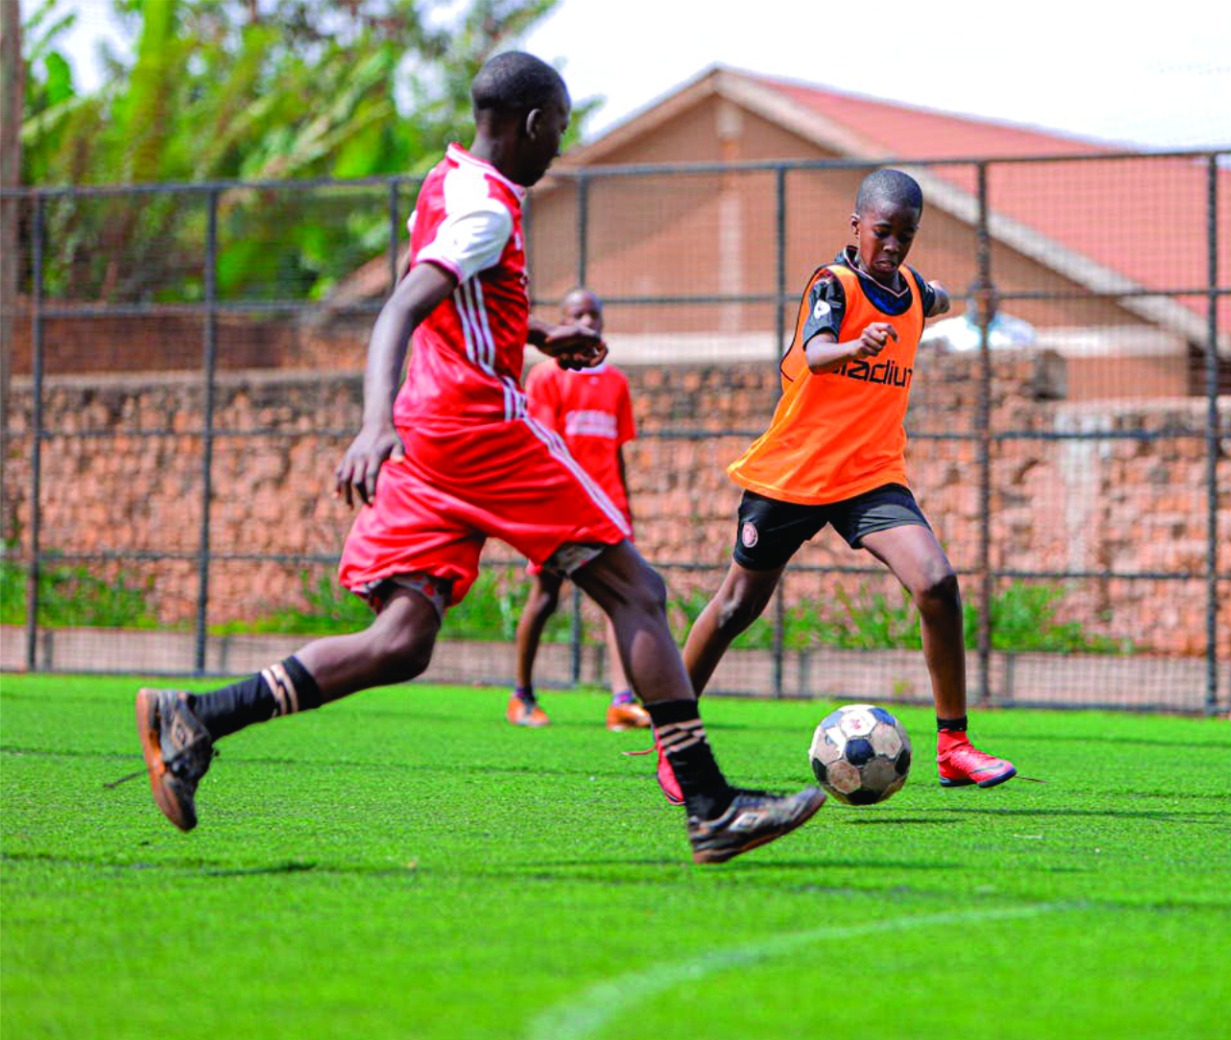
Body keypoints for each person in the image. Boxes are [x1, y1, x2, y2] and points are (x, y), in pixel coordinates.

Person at [133, 52, 823, 865]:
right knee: (637, 589)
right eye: (558, 130)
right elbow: (401, 309)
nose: (559, 147)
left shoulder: (447, 182)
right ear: (530, 124)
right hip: (479, 432)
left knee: (402, 640)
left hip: (429, 438)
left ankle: (198, 717)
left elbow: (455, 298)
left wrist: (538, 335)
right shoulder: (489, 209)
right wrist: (370, 424)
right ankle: (709, 804)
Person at [659, 168, 1018, 805]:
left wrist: (937, 297)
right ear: (856, 226)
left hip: (869, 475)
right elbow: (817, 351)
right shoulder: (832, 284)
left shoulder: (909, 288)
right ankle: (674, 742)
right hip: (794, 472)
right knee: (738, 606)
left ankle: (954, 747)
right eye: (882, 232)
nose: (893, 245)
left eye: (906, 235)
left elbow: (935, 298)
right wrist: (858, 343)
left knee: (937, 582)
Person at [509, 288, 650, 732]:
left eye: (593, 315)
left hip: (606, 508)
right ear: (562, 322)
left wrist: (624, 506)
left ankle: (621, 701)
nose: (587, 321)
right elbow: (544, 447)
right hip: (560, 506)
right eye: (577, 315)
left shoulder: (617, 382)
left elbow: (617, 451)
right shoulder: (546, 377)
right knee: (545, 597)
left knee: (620, 599)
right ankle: (521, 696)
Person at [921, 279, 1036, 354]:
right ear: (969, 301)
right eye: (979, 300)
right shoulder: (948, 330)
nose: (984, 305)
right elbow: (922, 342)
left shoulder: (1017, 330)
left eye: (989, 300)